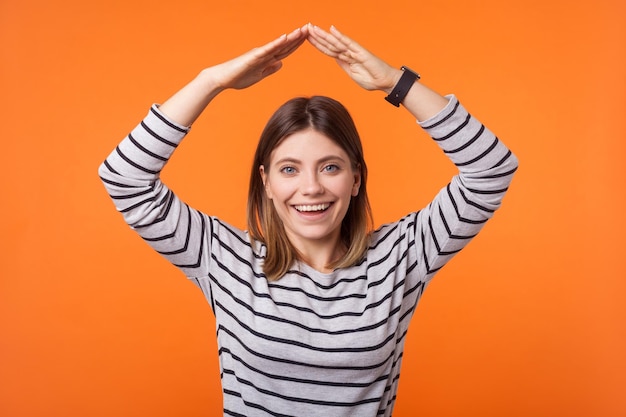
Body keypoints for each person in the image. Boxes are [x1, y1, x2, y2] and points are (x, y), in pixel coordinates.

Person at [99, 23, 518, 417]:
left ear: (356, 178)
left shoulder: (400, 256)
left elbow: (491, 171)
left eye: (330, 167)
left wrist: (396, 82)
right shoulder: (224, 258)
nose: (311, 188)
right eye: (289, 169)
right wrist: (211, 82)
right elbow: (125, 179)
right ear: (265, 181)